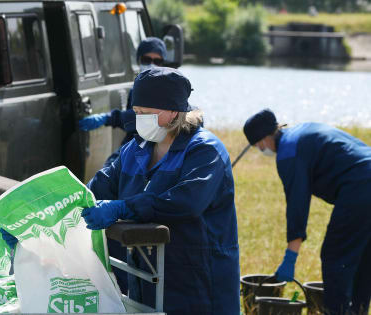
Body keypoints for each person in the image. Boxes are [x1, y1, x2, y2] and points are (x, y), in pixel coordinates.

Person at [81, 67, 240, 315]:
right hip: (147, 276)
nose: (139, 119)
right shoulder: (135, 150)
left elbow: (186, 202)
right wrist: (45, 218)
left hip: (198, 278)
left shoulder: (205, 151)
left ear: (174, 110)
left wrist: (124, 207)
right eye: (136, 112)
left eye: (146, 113)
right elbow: (95, 189)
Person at [243, 109, 371, 315]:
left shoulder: (288, 153)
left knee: (335, 255)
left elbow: (297, 204)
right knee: (363, 254)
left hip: (360, 187)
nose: (260, 149)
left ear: (263, 140)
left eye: (257, 145)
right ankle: (359, 309)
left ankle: (336, 312)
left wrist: (290, 257)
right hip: (365, 177)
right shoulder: (300, 132)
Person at [78, 37, 167, 167]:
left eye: (157, 61)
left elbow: (146, 118)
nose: (151, 65)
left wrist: (109, 118)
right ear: (138, 60)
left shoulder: (167, 89)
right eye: (146, 60)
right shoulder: (138, 85)